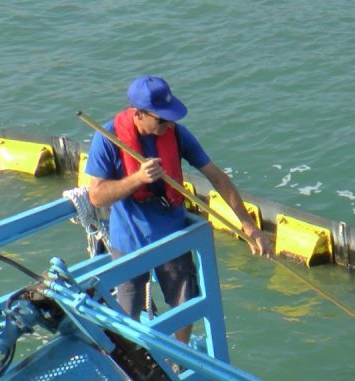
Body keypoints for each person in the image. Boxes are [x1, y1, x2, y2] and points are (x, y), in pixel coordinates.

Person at [85, 75, 272, 343]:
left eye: (171, 117)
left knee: (186, 305)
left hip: (172, 237)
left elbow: (217, 177)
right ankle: (132, 371)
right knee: (128, 314)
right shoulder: (107, 138)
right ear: (138, 114)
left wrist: (248, 225)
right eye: (161, 119)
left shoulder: (175, 134)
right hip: (128, 241)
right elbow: (96, 196)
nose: (168, 124)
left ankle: (179, 362)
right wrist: (138, 179)